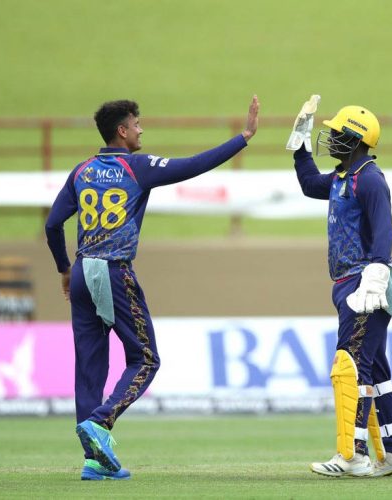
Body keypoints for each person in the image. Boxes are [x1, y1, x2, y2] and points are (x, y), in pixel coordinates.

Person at [45, 96, 259, 480]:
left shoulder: (82, 170)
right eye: (137, 124)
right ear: (122, 131)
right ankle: (101, 421)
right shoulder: (137, 167)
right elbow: (193, 166)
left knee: (89, 369)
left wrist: (64, 268)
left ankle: (94, 460)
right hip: (114, 271)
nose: (142, 130)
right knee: (146, 359)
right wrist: (243, 137)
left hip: (81, 272)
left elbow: (52, 224)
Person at [288, 98, 392, 478]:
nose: (333, 138)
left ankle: (353, 455)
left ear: (357, 141)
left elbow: (384, 230)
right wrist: (301, 142)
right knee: (375, 369)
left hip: (364, 285)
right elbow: (310, 183)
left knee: (352, 367)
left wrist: (375, 272)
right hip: (348, 283)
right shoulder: (343, 178)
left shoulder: (370, 179)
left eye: (339, 134)